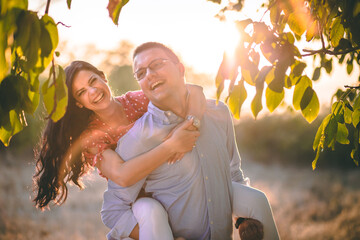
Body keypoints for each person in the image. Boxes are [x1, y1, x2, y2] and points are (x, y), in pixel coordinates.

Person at [101, 42, 280, 240]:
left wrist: (242, 219)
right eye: (141, 73)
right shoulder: (138, 138)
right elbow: (113, 210)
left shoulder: (219, 113)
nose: (149, 74)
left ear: (180, 69)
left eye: (157, 64)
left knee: (258, 199)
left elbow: (232, 172)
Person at [33, 60, 204, 239]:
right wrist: (171, 145)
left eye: (93, 81)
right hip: (136, 207)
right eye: (82, 92)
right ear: (79, 103)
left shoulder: (138, 100)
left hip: (172, 190)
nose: (92, 92)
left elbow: (193, 91)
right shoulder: (92, 136)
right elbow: (122, 176)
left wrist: (189, 125)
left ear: (103, 78)